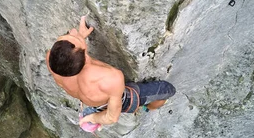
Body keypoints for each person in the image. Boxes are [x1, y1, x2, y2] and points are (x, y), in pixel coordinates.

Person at [46, 16, 176, 131]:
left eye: (69, 34)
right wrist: (92, 118)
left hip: (92, 97)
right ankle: (147, 108)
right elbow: (112, 117)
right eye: (73, 36)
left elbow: (72, 57)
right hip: (120, 99)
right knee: (168, 90)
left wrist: (80, 38)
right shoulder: (111, 78)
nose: (74, 31)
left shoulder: (52, 60)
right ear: (83, 52)